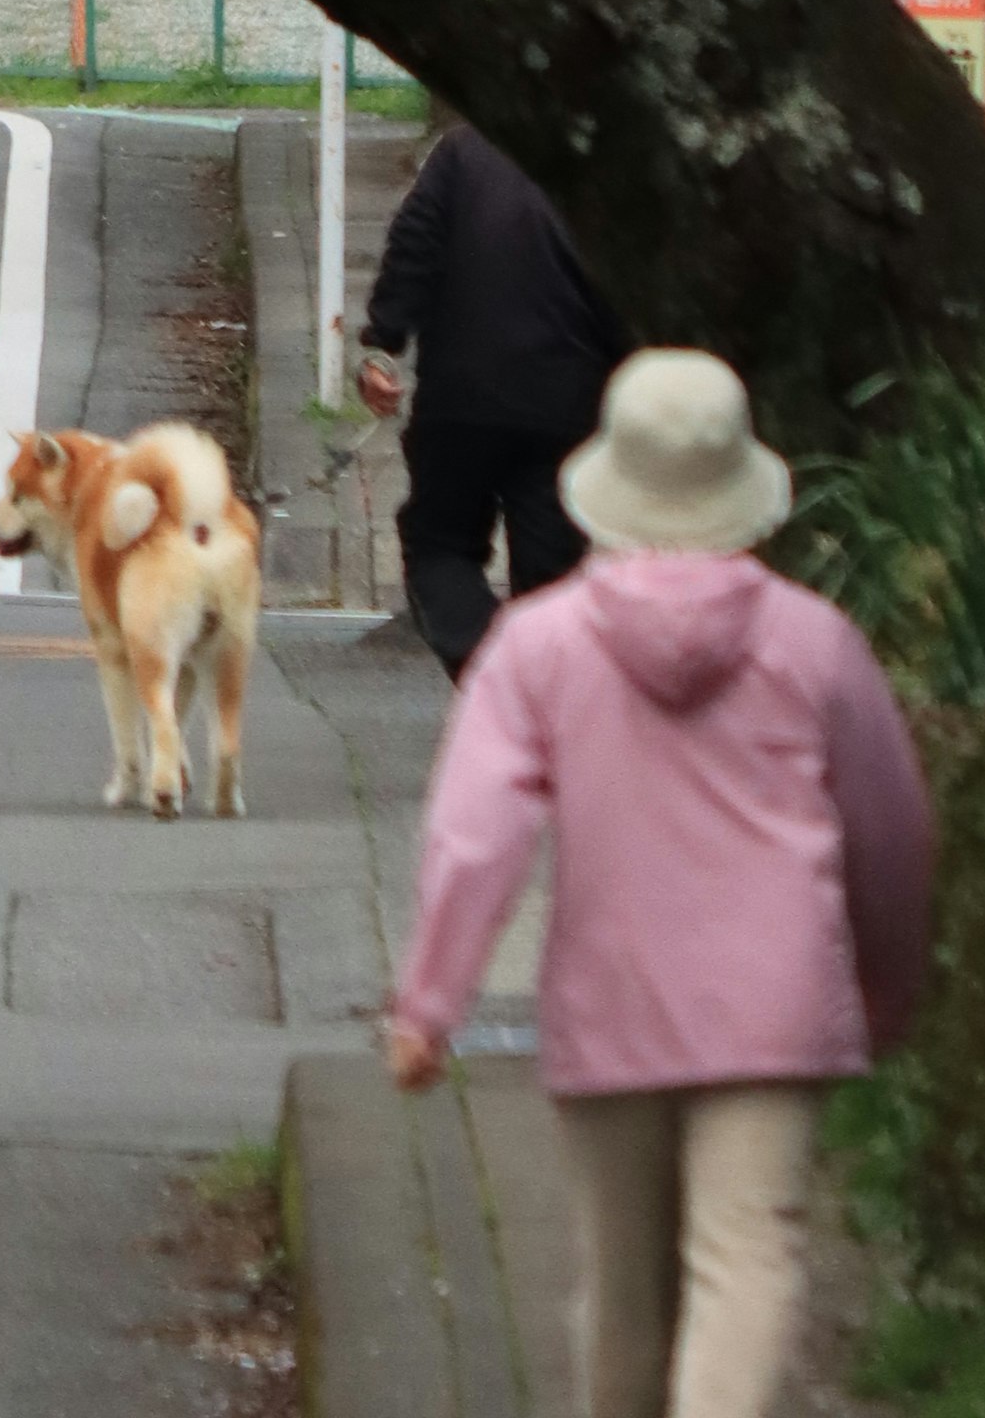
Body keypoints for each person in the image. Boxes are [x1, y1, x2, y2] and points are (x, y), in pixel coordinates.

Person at [384, 348, 931, 1418]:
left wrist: (431, 1004)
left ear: (609, 491)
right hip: (777, 1002)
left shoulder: (537, 648)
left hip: (614, 992)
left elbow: (475, 831)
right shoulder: (815, 645)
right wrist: (889, 991)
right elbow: (893, 831)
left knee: (622, 1283)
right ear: (744, 494)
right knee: (749, 1256)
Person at [361, 108, 628, 672]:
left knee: (438, 546)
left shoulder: (463, 153)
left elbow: (415, 242)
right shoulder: (611, 171)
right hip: (570, 404)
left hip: (460, 399)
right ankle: (535, 698)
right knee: (553, 574)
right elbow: (630, 292)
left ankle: (492, 670)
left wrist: (383, 343)